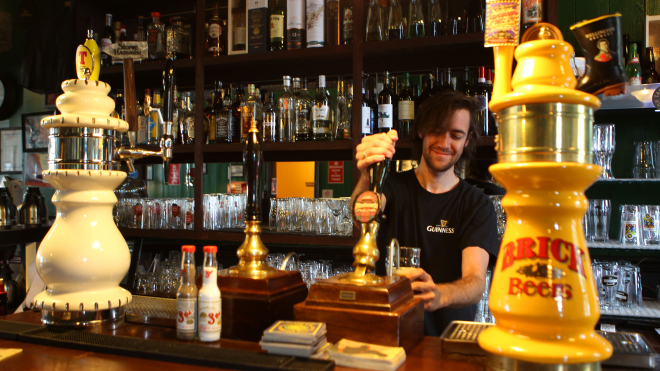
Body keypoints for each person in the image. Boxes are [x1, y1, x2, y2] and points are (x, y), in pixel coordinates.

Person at [350, 90, 500, 335]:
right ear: (421, 130)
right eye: (436, 131)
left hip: (446, 341)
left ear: (467, 141)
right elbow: (360, 219)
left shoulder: (477, 204)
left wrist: (438, 294)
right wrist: (367, 174)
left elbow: (475, 282)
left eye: (456, 135)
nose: (444, 143)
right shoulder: (392, 187)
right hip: (387, 335)